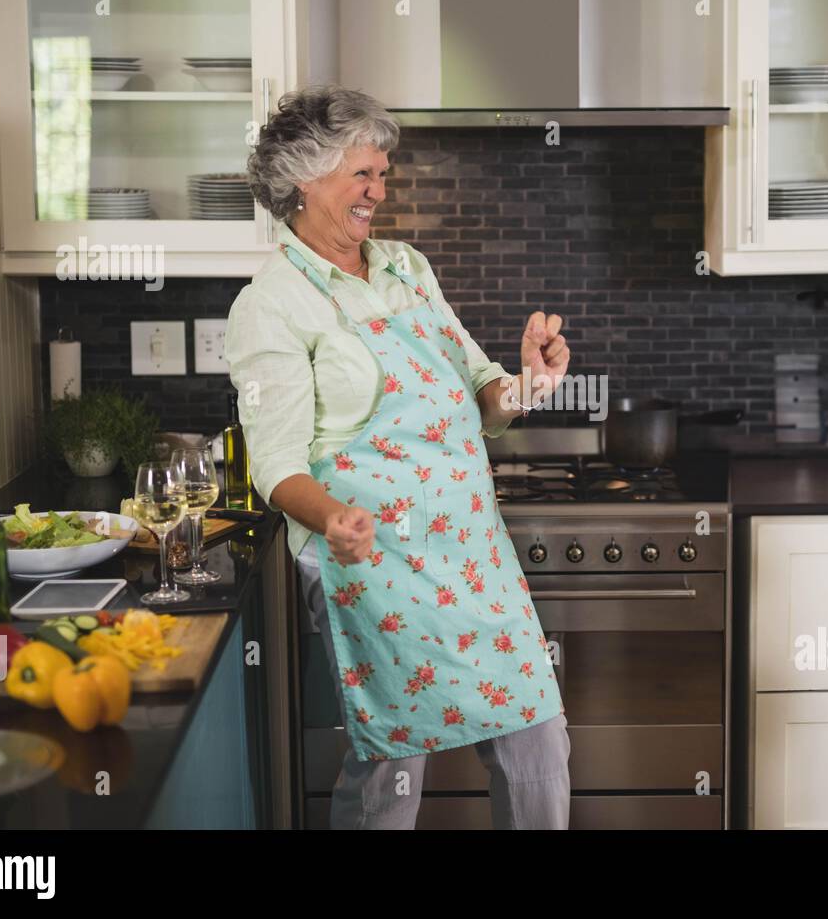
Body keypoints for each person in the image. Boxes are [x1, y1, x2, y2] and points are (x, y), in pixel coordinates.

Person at [225, 86, 572, 829]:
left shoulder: (406, 268)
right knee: (394, 758)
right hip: (372, 556)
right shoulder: (272, 303)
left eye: (384, 174)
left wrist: (528, 387)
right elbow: (276, 464)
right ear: (304, 179)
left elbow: (484, 394)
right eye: (363, 175)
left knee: (537, 734)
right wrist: (336, 518)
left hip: (470, 548)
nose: (380, 192)